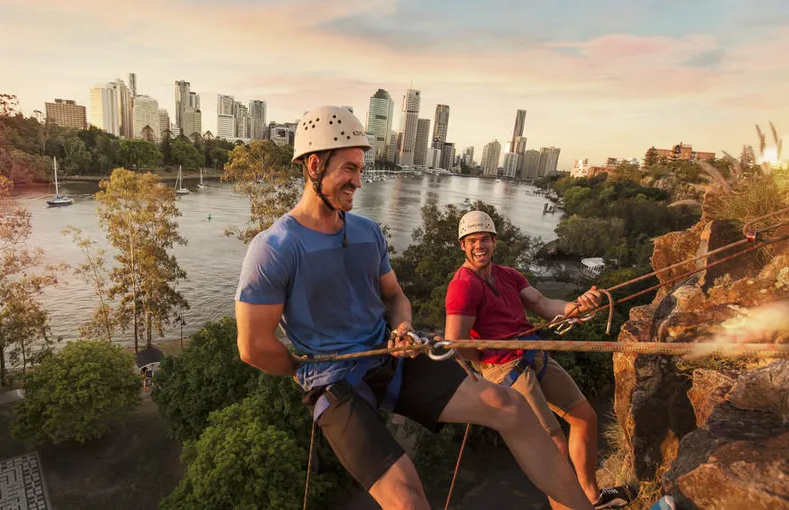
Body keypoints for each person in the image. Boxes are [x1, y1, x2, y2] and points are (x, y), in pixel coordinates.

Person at [235, 105, 593, 510]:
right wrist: (304, 369)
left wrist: (402, 327)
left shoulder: (368, 233)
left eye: (360, 168)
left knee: (508, 405)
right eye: (349, 169)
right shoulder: (274, 248)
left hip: (390, 355)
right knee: (407, 500)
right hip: (334, 381)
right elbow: (253, 346)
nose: (358, 180)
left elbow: (395, 296)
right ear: (314, 165)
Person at [444, 210, 636, 509]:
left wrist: (578, 306)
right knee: (552, 447)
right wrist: (486, 358)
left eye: (484, 239)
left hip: (533, 354)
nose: (478, 246)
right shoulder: (463, 285)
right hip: (504, 368)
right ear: (462, 246)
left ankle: (592, 497)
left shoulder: (508, 275)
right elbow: (456, 342)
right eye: (471, 241)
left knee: (584, 416)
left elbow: (544, 305)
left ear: (494, 241)